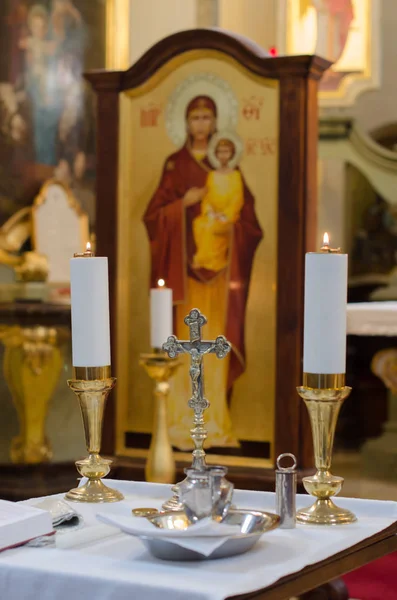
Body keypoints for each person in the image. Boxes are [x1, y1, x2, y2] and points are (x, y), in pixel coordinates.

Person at [143, 95, 263, 449]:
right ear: (185, 121)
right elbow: (152, 216)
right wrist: (184, 205)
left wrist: (230, 229)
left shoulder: (231, 170)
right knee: (183, 346)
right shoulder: (174, 165)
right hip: (185, 278)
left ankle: (214, 423)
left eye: (206, 116)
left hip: (220, 278)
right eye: (194, 116)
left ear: (215, 122)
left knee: (214, 348)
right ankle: (180, 423)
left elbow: (251, 225)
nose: (200, 123)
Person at [193, 136, 243, 272]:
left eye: (226, 151)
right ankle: (204, 259)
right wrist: (209, 212)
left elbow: (237, 199)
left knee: (211, 227)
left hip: (227, 216)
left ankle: (210, 261)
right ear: (216, 154)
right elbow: (207, 197)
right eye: (220, 151)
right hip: (213, 214)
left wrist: (225, 215)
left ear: (231, 153)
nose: (223, 155)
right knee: (199, 224)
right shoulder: (212, 175)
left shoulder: (235, 175)